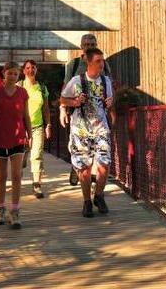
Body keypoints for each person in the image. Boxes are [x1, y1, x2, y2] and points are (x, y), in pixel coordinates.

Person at [60, 48, 113, 218]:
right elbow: (62, 99)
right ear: (88, 62)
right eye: (98, 61)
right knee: (84, 169)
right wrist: (74, 102)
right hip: (81, 130)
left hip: (100, 128)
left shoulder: (106, 81)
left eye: (102, 61)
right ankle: (87, 201)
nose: (101, 64)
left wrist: (109, 102)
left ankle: (98, 195)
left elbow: (109, 102)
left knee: (104, 165)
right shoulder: (77, 81)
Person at [0, 61, 32, 229]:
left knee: (17, 175)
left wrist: (30, 134)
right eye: (9, 73)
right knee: (1, 176)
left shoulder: (22, 93)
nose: (12, 76)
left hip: (18, 138)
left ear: (18, 75)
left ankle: (15, 211)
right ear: (3, 74)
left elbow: (26, 115)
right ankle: (0, 209)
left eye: (15, 73)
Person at [18, 59, 51, 198]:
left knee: (37, 155)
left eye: (33, 68)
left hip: (37, 127)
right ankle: (16, 184)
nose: (30, 70)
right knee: (19, 159)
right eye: (27, 68)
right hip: (20, 127)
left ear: (36, 70)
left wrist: (48, 125)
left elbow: (46, 108)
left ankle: (36, 185)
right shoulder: (19, 86)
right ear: (23, 70)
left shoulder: (42, 88)